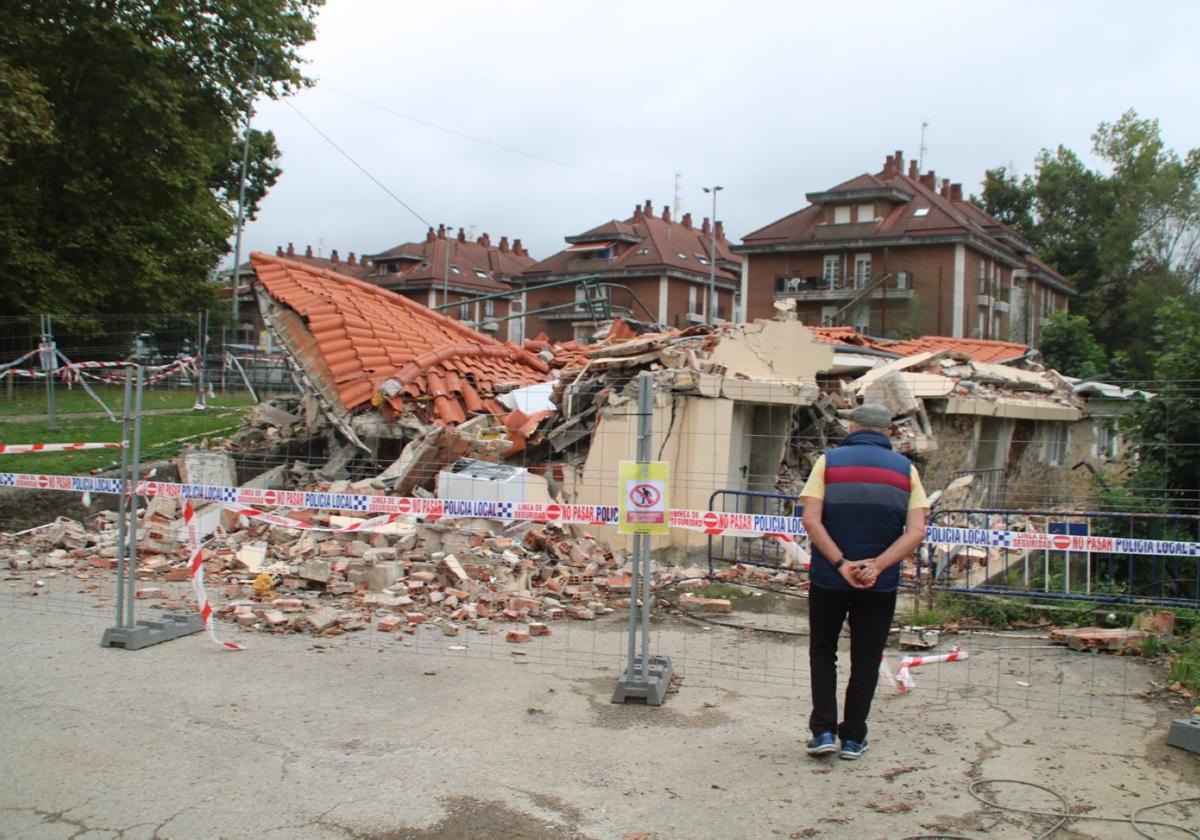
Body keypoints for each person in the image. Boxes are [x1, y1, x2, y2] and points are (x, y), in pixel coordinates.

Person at [799, 402, 929, 760]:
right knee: (866, 658)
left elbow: (811, 520)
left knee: (823, 653)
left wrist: (841, 564)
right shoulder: (907, 470)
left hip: (828, 578)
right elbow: (916, 531)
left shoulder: (827, 462)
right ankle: (854, 738)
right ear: (888, 432)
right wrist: (877, 566)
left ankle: (823, 731)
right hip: (879, 585)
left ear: (852, 427)